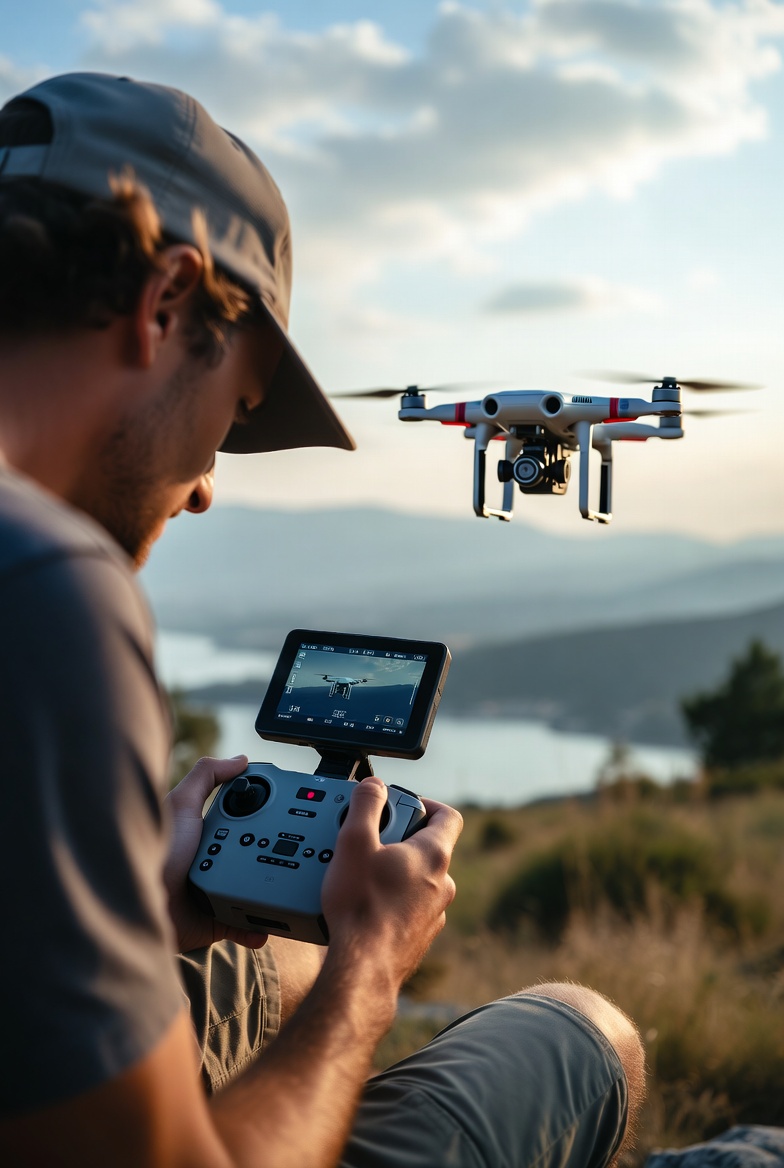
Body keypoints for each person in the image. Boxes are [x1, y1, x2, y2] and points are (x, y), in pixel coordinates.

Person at [0, 73, 644, 1167]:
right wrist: (370, 972)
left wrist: (127, 904)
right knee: (582, 1031)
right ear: (165, 301)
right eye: (237, 410)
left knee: (276, 957)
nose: (206, 483)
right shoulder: (46, 587)